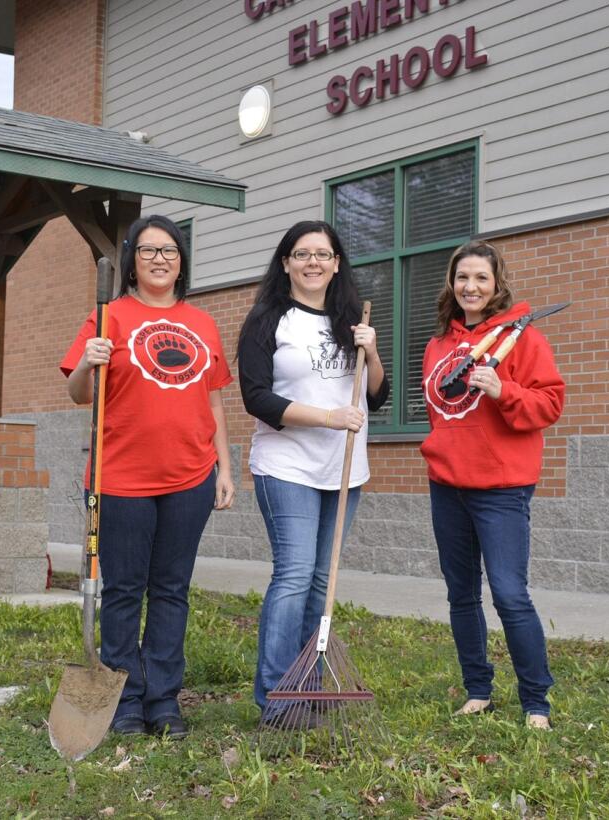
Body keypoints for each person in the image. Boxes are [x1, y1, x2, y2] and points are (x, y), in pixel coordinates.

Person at [59, 214, 235, 739]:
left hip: (190, 476)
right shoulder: (108, 316)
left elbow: (213, 397)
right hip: (121, 477)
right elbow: (78, 395)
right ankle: (124, 698)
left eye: (170, 250)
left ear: (182, 262)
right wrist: (89, 363)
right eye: (149, 250)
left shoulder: (202, 323)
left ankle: (163, 699)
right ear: (132, 261)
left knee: (171, 590)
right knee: (123, 591)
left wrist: (225, 465)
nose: (160, 259)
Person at [237, 220, 389, 723]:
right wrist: (327, 418)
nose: (313, 263)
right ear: (285, 263)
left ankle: (309, 685)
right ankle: (277, 697)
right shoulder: (267, 321)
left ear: (337, 263)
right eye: (301, 254)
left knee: (322, 581)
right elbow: (256, 398)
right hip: (288, 466)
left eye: (323, 254)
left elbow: (377, 395)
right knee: (295, 575)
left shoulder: (351, 322)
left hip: (345, 470)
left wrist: (370, 351)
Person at [419, 239, 565, 730]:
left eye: (481, 277)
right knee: (461, 595)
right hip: (448, 486)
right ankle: (478, 689)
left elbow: (550, 405)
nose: (470, 286)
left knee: (508, 594)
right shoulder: (438, 345)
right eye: (462, 277)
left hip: (501, 489)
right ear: (452, 284)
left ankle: (536, 700)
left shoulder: (522, 339)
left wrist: (505, 391)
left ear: (497, 284)